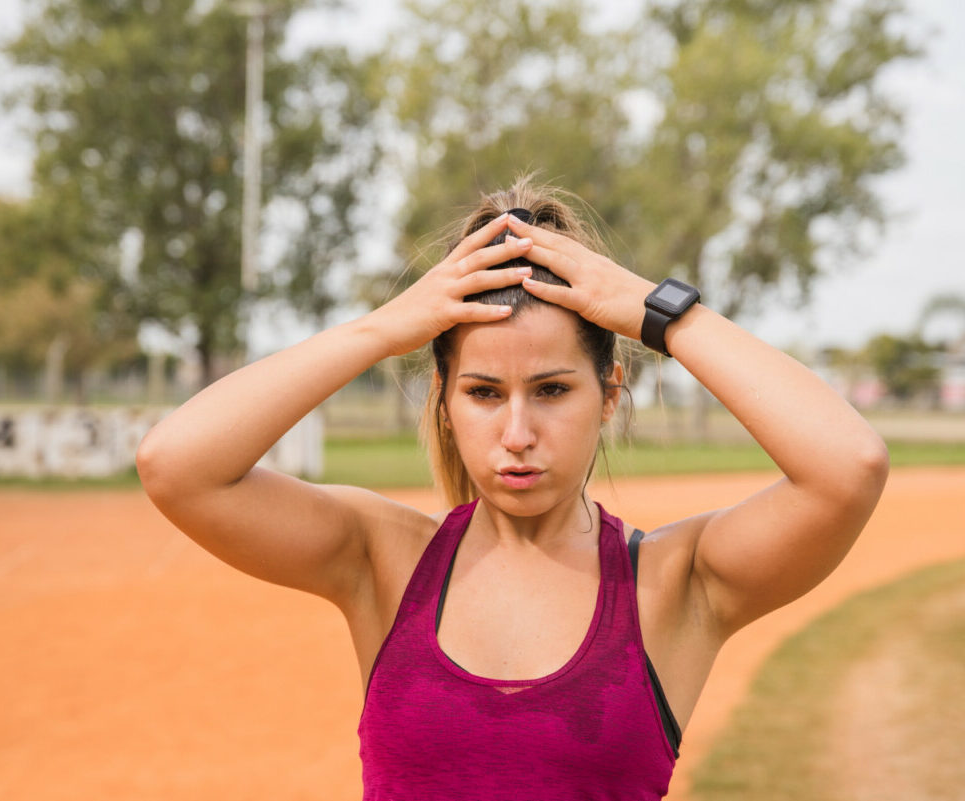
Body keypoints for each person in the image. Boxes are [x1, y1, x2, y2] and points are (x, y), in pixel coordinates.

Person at [136, 177, 889, 800]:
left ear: (609, 395)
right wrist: (383, 328)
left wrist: (656, 311)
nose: (518, 431)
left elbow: (848, 465)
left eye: (554, 390)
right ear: (445, 400)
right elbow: (176, 463)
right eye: (485, 392)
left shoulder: (673, 584)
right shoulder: (384, 560)